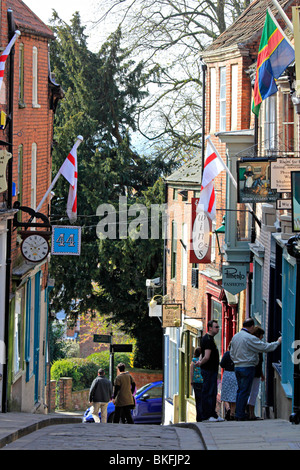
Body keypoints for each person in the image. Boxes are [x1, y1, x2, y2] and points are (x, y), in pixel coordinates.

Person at [230, 318, 281, 421]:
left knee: (240, 391)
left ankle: (239, 413)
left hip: (237, 367)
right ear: (252, 327)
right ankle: (240, 414)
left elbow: (231, 353)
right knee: (245, 391)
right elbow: (265, 347)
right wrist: (278, 342)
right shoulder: (249, 338)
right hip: (247, 367)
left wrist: (236, 361)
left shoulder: (235, 337)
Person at [197, 319, 224, 422]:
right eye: (216, 327)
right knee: (209, 393)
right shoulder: (208, 340)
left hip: (210, 370)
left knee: (211, 392)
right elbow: (206, 357)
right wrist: (200, 363)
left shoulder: (209, 339)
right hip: (208, 370)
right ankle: (207, 416)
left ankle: (213, 414)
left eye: (218, 327)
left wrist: (200, 361)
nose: (218, 329)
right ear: (210, 328)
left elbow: (202, 354)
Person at [247, 326, 265, 420]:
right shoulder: (256, 345)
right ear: (258, 335)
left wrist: (261, 373)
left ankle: (250, 413)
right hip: (253, 372)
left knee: (250, 393)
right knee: (253, 393)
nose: (262, 338)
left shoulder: (253, 344)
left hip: (254, 372)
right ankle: (251, 413)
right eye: (261, 336)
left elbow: (259, 362)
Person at [220, 342, 238, 421]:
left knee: (226, 394)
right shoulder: (238, 354)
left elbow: (222, 365)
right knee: (234, 395)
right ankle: (232, 413)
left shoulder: (227, 354)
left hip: (227, 374)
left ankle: (228, 409)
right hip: (235, 375)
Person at [190, 347, 203, 422]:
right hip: (203, 381)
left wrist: (191, 381)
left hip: (196, 382)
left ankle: (199, 417)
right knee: (203, 399)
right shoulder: (202, 361)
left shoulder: (193, 361)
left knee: (198, 400)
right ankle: (203, 415)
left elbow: (191, 372)